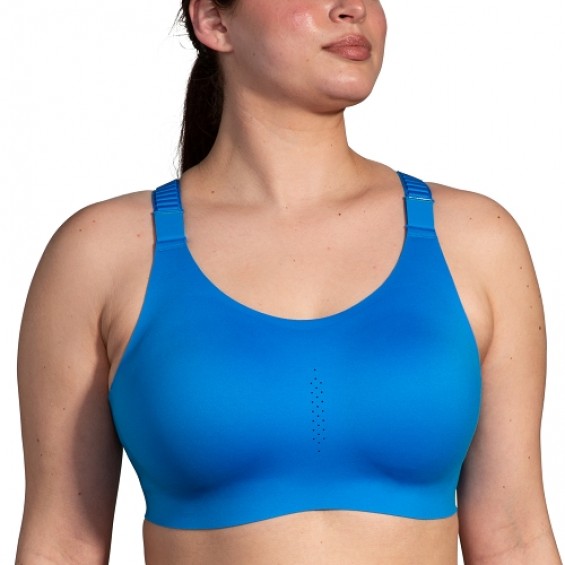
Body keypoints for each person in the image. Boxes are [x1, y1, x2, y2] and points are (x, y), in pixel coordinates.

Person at [15, 0, 562, 563]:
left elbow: (515, 538)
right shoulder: (105, 253)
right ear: (214, 21)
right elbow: (61, 546)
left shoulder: (475, 240)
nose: (353, 8)